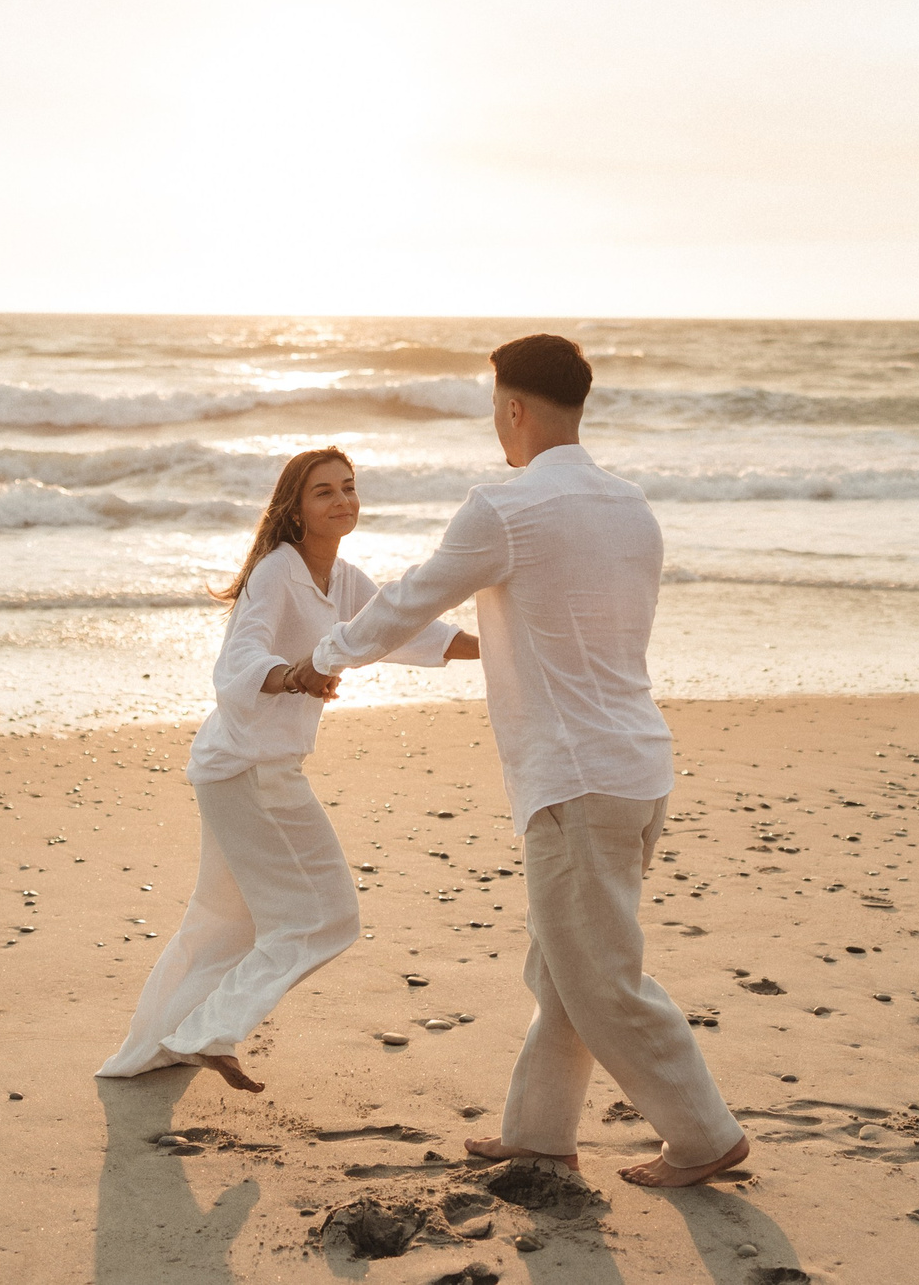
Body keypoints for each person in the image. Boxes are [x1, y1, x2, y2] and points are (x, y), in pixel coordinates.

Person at [297, 334, 748, 1188]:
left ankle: (704, 1134)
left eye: (493, 407)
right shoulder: (631, 506)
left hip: (576, 776)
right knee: (563, 963)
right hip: (637, 766)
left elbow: (407, 599)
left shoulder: (505, 508)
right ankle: (539, 1133)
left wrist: (326, 655)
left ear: (513, 407)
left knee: (601, 978)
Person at [96, 445, 478, 1093]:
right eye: (324, 491)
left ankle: (151, 1048)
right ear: (295, 510)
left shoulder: (344, 577)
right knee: (327, 914)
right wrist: (291, 673)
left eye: (350, 487)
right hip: (252, 770)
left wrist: (498, 643)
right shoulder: (276, 572)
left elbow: (400, 628)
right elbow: (238, 662)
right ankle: (210, 1029)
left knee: (225, 920)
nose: (343, 500)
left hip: (233, 768)